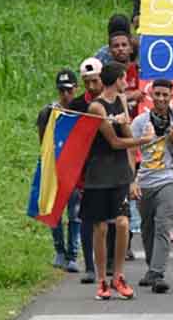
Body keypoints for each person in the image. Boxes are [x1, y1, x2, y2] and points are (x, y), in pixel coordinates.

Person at [81, 61, 152, 301]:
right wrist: (145, 140)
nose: (127, 83)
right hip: (99, 174)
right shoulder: (96, 107)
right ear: (118, 79)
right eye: (124, 79)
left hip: (120, 172)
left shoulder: (121, 101)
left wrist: (132, 176)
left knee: (123, 223)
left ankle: (118, 276)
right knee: (100, 227)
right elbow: (114, 142)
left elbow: (127, 138)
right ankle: (102, 279)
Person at [130, 79, 173, 294]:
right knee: (147, 229)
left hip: (169, 178)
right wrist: (132, 180)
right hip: (145, 180)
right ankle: (151, 268)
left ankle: (157, 273)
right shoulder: (140, 122)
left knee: (163, 226)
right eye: (157, 94)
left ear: (171, 97)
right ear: (151, 96)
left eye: (165, 95)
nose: (161, 99)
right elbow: (130, 152)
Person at [37, 69, 81, 274]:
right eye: (62, 90)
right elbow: (42, 141)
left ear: (76, 89)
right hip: (54, 168)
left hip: (73, 170)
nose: (65, 94)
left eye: (69, 90)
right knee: (54, 213)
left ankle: (73, 254)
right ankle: (59, 251)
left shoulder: (81, 111)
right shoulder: (48, 112)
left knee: (74, 214)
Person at [69, 57, 104, 284]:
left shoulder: (111, 102)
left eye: (95, 81)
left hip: (110, 164)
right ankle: (90, 267)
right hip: (87, 169)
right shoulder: (76, 106)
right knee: (87, 217)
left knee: (112, 219)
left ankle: (109, 263)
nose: (91, 87)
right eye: (87, 82)